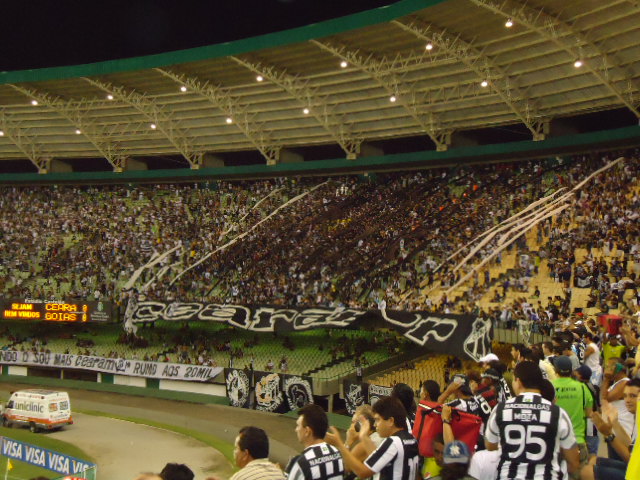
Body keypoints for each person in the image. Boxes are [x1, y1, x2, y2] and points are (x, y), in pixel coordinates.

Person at [485, 361, 580, 480]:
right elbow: (573, 460)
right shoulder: (557, 413)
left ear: (518, 381)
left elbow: (490, 445)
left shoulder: (501, 409)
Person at [326, 397, 420, 480]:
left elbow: (362, 472)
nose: (375, 425)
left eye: (378, 420)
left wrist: (339, 444)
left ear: (391, 421)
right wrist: (364, 437)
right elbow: (377, 457)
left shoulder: (393, 442)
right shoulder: (411, 439)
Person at [552, 355, 593, 464]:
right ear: (571, 370)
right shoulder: (582, 388)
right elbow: (589, 413)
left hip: (554, 443)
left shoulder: (550, 387)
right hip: (577, 441)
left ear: (555, 370)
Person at [287, 404, 344, 480]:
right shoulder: (337, 453)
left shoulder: (301, 462)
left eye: (298, 425)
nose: (296, 429)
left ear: (307, 431)